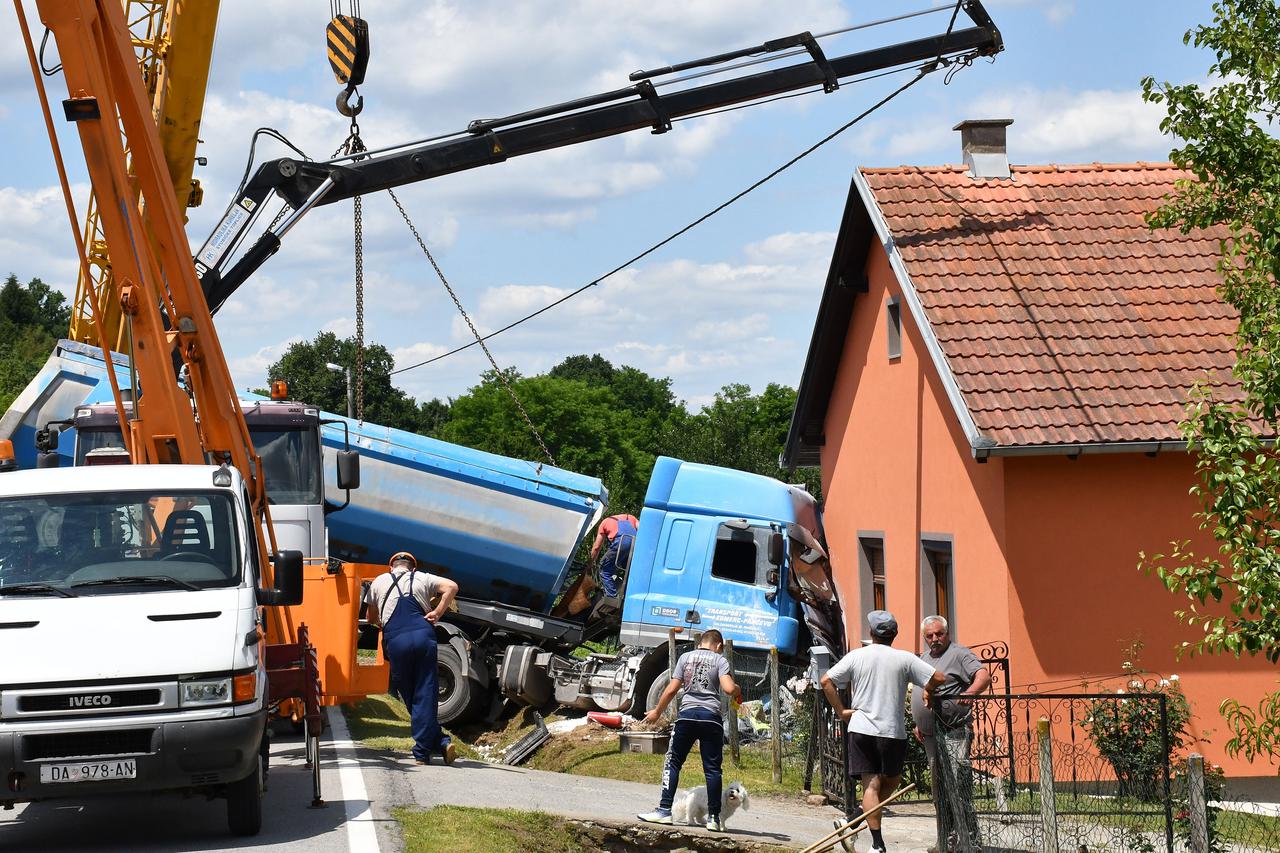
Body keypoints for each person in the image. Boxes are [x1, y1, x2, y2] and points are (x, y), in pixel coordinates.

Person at [821, 611, 945, 853]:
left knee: (875, 786)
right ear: (894, 635)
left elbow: (826, 681)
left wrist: (841, 711)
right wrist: (928, 689)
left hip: (861, 728)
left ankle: (852, 821)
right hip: (891, 731)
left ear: (871, 633)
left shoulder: (857, 656)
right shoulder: (904, 659)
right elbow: (938, 677)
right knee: (885, 783)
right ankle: (877, 845)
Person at [638, 628, 742, 833]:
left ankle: (664, 810)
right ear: (719, 646)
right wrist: (738, 690)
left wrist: (657, 712)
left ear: (701, 642)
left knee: (674, 761)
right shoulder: (720, 660)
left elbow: (671, 689)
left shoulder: (685, 657)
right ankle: (713, 818)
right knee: (712, 769)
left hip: (687, 716)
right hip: (711, 719)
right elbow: (729, 689)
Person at [367, 551, 459, 766]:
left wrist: (382, 620)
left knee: (409, 695)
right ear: (412, 568)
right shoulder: (423, 578)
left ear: (391, 566)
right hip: (423, 635)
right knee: (426, 691)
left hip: (396, 640)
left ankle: (422, 752)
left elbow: (371, 618)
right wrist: (437, 612)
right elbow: (452, 587)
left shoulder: (379, 581)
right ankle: (439, 742)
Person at [912, 616, 990, 853]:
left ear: (947, 633)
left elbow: (983, 676)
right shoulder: (924, 658)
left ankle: (970, 842)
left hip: (954, 731)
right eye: (930, 636)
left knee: (958, 786)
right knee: (939, 791)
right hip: (930, 734)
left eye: (939, 634)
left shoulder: (959, 654)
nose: (935, 639)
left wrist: (970, 693)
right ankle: (944, 841)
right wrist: (919, 722)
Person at [590, 513, 638, 598]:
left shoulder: (604, 523)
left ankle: (612, 597)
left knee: (604, 570)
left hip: (620, 543)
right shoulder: (631, 517)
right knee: (629, 571)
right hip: (635, 544)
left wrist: (590, 562)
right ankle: (629, 594)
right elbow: (643, 532)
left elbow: (596, 547)